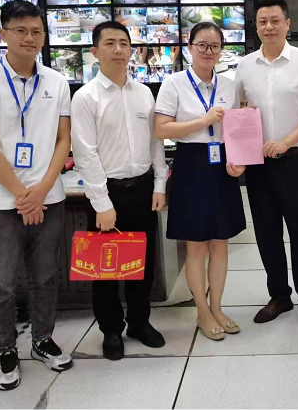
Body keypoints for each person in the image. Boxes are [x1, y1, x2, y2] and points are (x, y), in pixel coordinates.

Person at [0, 0, 73, 391]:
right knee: (3, 283)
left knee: (45, 277)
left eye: (36, 31)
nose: (29, 38)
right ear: (4, 33)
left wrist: (40, 191)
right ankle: (5, 349)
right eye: (21, 30)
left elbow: (63, 140)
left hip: (48, 197)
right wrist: (22, 195)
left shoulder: (57, 81)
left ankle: (42, 339)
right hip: (1, 202)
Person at [70, 21, 168, 360]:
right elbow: (85, 153)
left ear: (131, 50)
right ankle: (110, 329)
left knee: (143, 263)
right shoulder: (86, 97)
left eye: (124, 43)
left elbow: (156, 142)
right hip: (108, 193)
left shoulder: (144, 93)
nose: (118, 50)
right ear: (95, 51)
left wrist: (159, 184)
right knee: (105, 267)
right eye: (109, 43)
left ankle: (139, 322)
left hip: (142, 188)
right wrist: (101, 203)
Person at [233, 0, 298, 328]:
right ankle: (279, 296)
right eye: (262, 21)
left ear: (287, 24)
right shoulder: (245, 66)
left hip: (295, 160)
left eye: (275, 20)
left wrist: (286, 142)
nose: (269, 27)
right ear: (256, 26)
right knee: (267, 231)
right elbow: (238, 110)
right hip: (258, 164)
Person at [154, 22, 246, 341]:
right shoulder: (174, 83)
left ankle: (217, 307)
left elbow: (235, 129)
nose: (208, 51)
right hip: (191, 166)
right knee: (196, 247)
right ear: (190, 47)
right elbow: (162, 129)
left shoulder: (230, 85)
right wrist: (202, 121)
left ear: (221, 51)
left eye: (215, 46)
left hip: (222, 166)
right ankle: (202, 312)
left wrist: (238, 159)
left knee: (220, 243)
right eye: (202, 45)